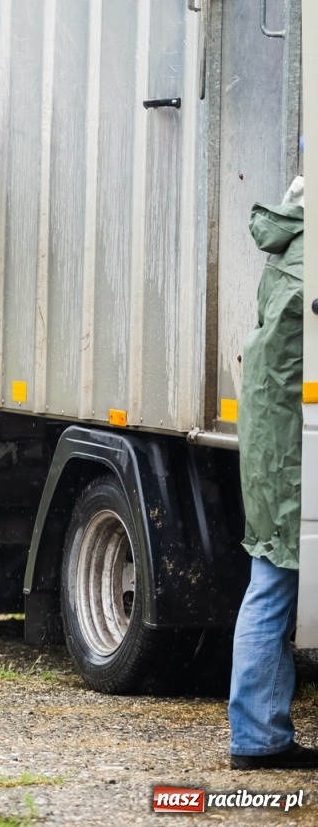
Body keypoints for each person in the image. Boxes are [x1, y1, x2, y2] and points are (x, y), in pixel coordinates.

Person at [228, 174, 318, 770]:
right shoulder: (311, 257)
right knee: (275, 582)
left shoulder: (292, 236)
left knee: (273, 578)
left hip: (274, 439)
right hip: (289, 447)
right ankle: (258, 738)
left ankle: (262, 733)